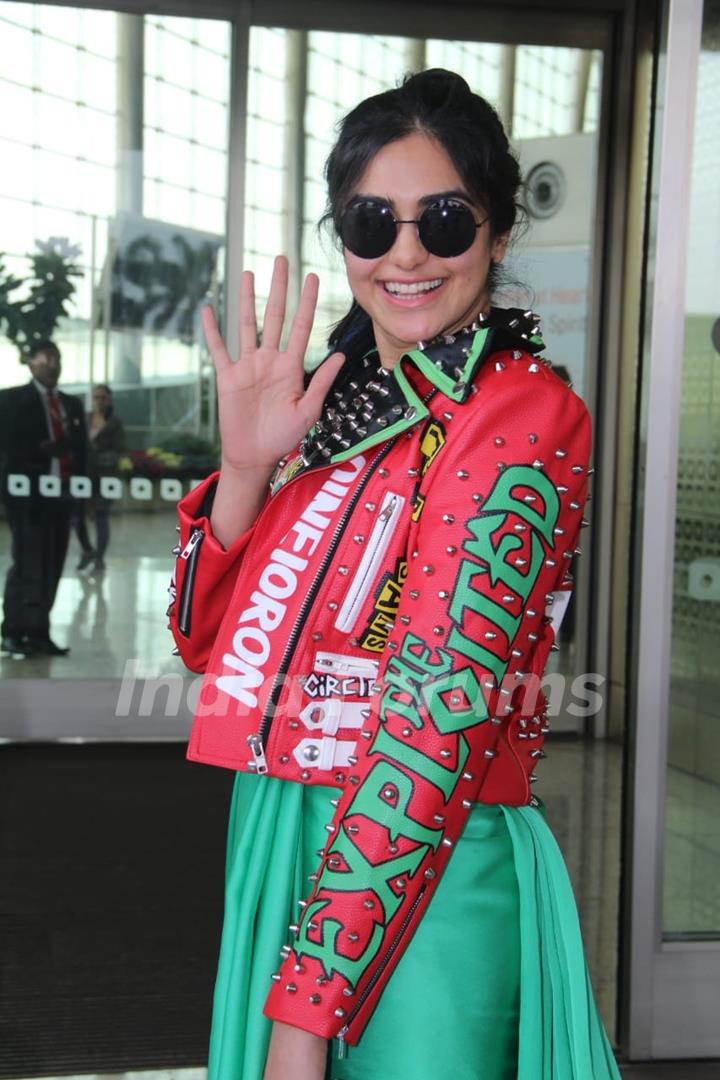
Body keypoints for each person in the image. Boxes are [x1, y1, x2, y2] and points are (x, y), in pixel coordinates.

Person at [169, 70, 620, 1080]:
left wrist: (303, 1017)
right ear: (345, 240)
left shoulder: (523, 415)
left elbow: (434, 725)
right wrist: (245, 468)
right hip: (285, 830)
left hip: (431, 862)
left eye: (445, 221)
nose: (406, 253)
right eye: (372, 221)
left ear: (499, 236)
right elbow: (210, 645)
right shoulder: (329, 412)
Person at [0, 340, 86, 657]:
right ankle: (13, 632)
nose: (53, 364)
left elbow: (82, 451)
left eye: (58, 358)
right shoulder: (11, 400)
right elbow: (7, 447)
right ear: (30, 361)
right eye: (47, 358)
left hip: (62, 495)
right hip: (27, 497)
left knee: (52, 564)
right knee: (27, 564)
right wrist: (36, 452)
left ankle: (39, 632)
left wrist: (84, 489)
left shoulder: (72, 404)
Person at [74, 383, 125, 573]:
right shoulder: (84, 419)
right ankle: (87, 550)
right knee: (77, 516)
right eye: (96, 397)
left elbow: (120, 449)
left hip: (106, 476)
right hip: (84, 476)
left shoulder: (115, 422)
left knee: (101, 516)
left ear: (109, 400)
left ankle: (99, 558)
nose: (99, 401)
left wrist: (99, 454)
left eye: (103, 397)